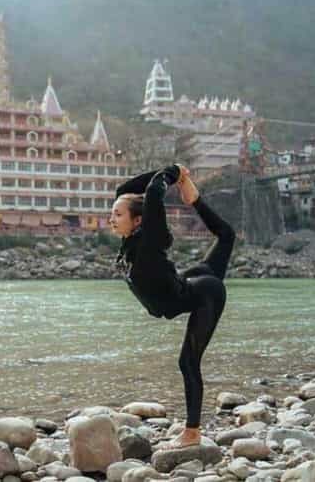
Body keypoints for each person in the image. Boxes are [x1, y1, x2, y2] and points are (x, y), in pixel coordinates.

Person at [109, 164, 236, 449]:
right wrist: (184, 183)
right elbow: (125, 191)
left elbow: (154, 190)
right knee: (226, 236)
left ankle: (192, 434)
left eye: (117, 214)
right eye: (112, 214)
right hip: (187, 281)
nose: (111, 219)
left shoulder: (149, 242)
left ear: (139, 220)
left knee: (187, 362)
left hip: (204, 294)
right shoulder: (132, 239)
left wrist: (174, 171)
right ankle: (196, 200)